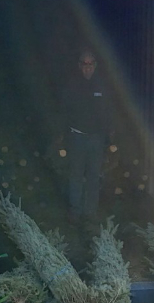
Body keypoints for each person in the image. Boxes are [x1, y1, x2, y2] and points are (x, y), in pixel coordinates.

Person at [62, 49, 113, 224]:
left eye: (90, 64)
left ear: (95, 66)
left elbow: (107, 113)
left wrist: (108, 139)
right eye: (84, 63)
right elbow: (64, 111)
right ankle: (74, 212)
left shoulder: (102, 86)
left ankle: (90, 213)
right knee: (76, 175)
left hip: (96, 140)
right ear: (79, 66)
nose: (87, 67)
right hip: (77, 137)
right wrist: (65, 135)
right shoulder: (71, 85)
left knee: (93, 176)